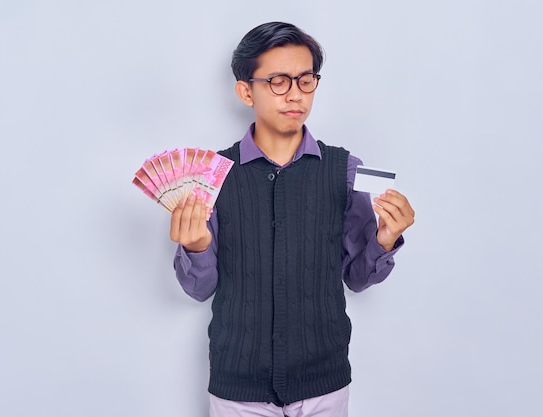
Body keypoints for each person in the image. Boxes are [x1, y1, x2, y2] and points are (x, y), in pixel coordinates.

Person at [169, 21, 415, 417]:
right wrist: (195, 247)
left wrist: (384, 241)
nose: (295, 94)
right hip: (238, 386)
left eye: (306, 80)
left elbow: (356, 278)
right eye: (278, 81)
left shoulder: (346, 170)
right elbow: (199, 289)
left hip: (324, 380)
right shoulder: (211, 175)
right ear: (246, 90)